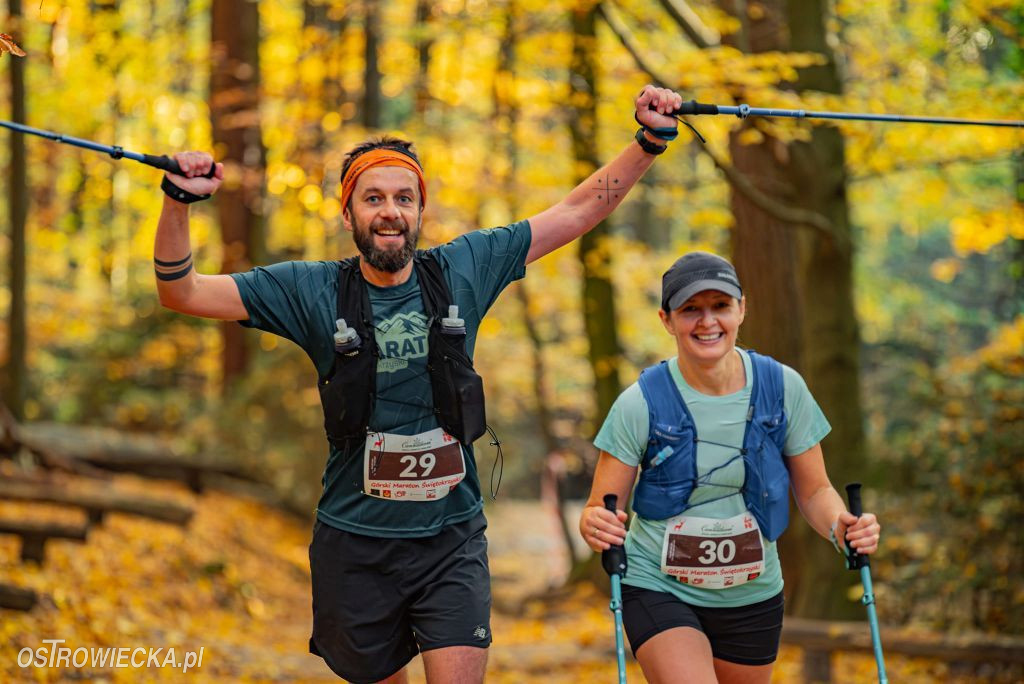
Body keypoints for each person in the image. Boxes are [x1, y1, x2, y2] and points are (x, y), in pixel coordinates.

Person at [153, 85, 684, 683]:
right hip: (355, 544)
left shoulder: (463, 268)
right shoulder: (310, 289)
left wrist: (648, 140)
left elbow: (575, 212)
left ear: (420, 211)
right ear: (347, 212)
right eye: (373, 197)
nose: (390, 211)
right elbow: (183, 291)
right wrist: (177, 201)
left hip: (450, 542)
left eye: (404, 198)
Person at [578, 251, 881, 684]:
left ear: (742, 308)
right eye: (690, 310)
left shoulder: (783, 387)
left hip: (753, 592)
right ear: (666, 319)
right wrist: (595, 525)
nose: (707, 322)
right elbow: (599, 508)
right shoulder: (638, 403)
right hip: (658, 584)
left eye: (720, 306)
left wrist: (843, 527)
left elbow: (815, 492)